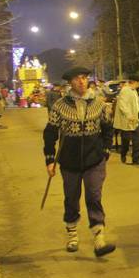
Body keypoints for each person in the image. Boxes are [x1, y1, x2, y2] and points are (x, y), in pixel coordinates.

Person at [42, 67, 116, 257]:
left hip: (94, 160)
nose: (81, 82)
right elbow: (50, 133)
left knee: (93, 196)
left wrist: (105, 151)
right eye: (77, 79)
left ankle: (99, 240)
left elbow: (108, 129)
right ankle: (72, 234)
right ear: (70, 83)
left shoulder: (99, 104)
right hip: (69, 162)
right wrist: (50, 159)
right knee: (71, 198)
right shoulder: (60, 105)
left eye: (84, 78)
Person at [113, 75, 139, 165]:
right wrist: (129, 115)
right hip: (128, 120)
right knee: (126, 140)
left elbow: (137, 104)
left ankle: (136, 159)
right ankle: (123, 153)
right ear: (134, 82)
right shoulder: (125, 90)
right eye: (138, 82)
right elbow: (122, 105)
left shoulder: (134, 90)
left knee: (137, 140)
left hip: (136, 119)